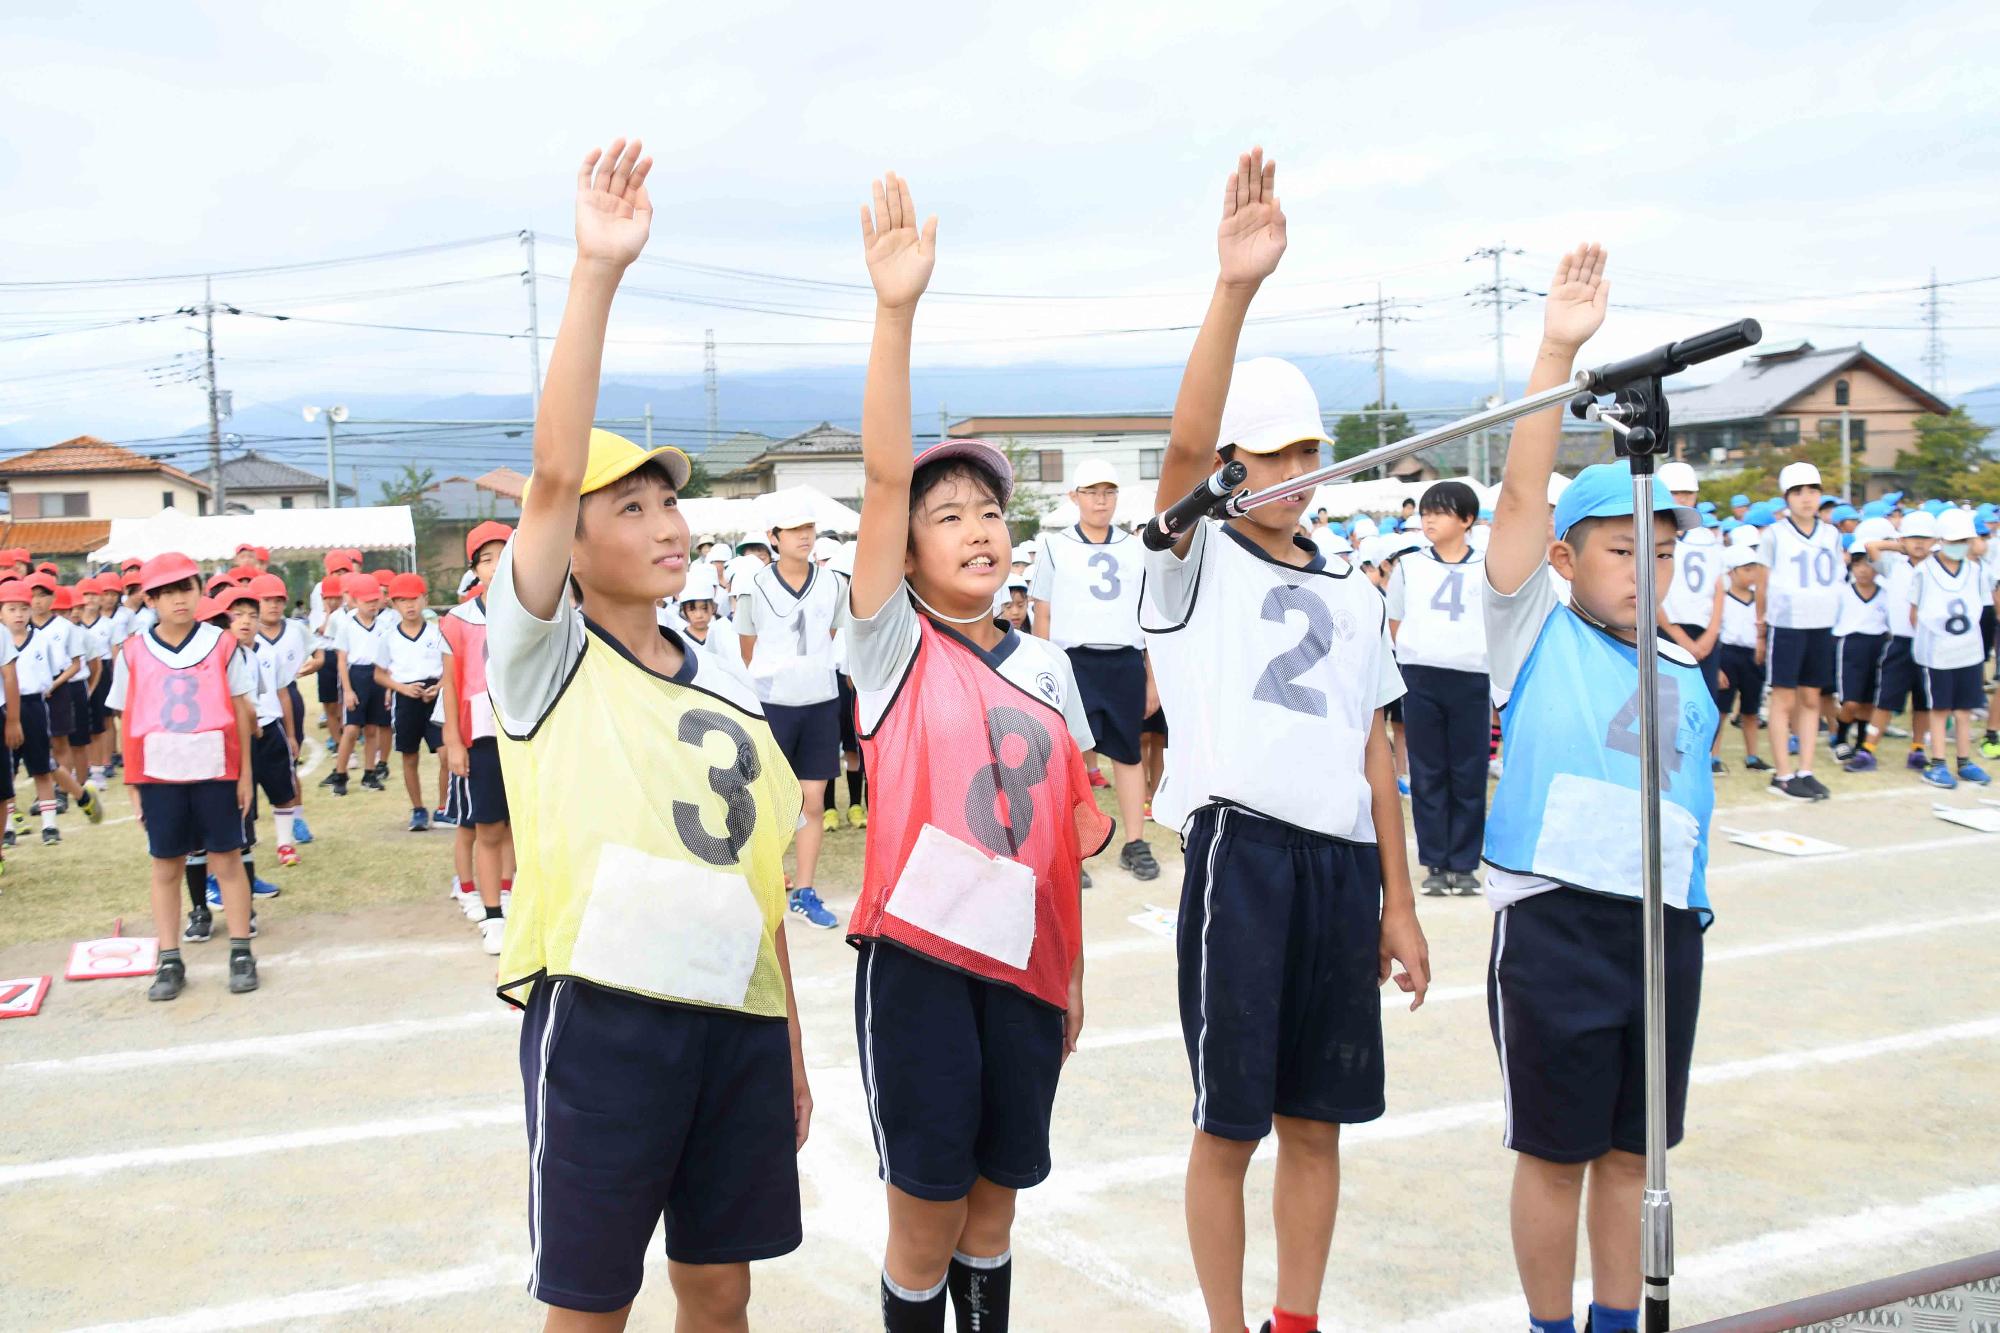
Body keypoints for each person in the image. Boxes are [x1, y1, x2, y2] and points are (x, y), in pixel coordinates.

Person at [488, 138, 810, 1331]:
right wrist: (596, 271)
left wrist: (786, 1044)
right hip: (606, 1007)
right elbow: (551, 468)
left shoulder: (726, 680)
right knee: (590, 1301)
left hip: (730, 1010)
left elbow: (761, 883)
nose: (665, 520)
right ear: (570, 543)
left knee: (719, 1288)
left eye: (669, 499)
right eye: (629, 506)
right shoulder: (544, 655)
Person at [1142, 149, 1427, 1333]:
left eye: (1311, 456)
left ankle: (1295, 1318)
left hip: (1336, 865)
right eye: (1275, 458)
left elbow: (1377, 759)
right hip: (1241, 857)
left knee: (1319, 1120)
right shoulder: (1190, 560)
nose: (1300, 478)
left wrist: (1397, 904)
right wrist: (1233, 290)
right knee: (1231, 1121)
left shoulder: (1358, 589)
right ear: (1230, 468)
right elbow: (1175, 454)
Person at [848, 168, 1111, 1333]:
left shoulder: (1048, 667)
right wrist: (895, 313)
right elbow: (873, 479)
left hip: (1026, 965)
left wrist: (1073, 973)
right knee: (927, 1210)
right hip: (918, 963)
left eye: (991, 513)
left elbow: (1062, 847)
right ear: (901, 552)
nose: (978, 529)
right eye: (946, 514)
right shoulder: (888, 644)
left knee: (998, 1212)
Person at [1481, 244, 1718, 1333]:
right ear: (1568, 562)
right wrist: (1556, 349)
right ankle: (1546, 1323)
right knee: (1556, 1150)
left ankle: (1619, 1320)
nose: (1642, 568)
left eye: (1658, 551)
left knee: (1632, 1152)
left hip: (1662, 928)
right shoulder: (1532, 625)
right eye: (1620, 549)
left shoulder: (1684, 670)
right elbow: (1523, 490)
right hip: (1556, 921)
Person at [105, 554, 258, 1000]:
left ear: (199, 591)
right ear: (149, 598)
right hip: (159, 772)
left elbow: (243, 714)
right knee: (166, 864)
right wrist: (133, 781)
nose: (178, 599)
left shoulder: (223, 643)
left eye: (186, 588)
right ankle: (170, 959)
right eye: (166, 591)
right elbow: (127, 719)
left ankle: (241, 950)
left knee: (228, 859)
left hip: (215, 768)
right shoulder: (133, 651)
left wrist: (244, 775)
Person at [1029, 459, 1160, 883]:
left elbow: (1151, 616)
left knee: (1127, 754)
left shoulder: (1136, 547)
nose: (1100, 500)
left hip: (1123, 660)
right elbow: (1042, 614)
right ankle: (1073, 848)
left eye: (1107, 491)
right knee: (1067, 759)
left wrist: (1152, 678)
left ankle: (1135, 842)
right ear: (1074, 497)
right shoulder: (1054, 545)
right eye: (1090, 492)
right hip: (1073, 664)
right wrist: (1042, 674)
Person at [736, 500, 846, 929]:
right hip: (772, 705)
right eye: (793, 528)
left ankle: (805, 889)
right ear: (773, 538)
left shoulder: (834, 583)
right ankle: (763, 886)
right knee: (767, 801)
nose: (804, 535)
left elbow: (830, 633)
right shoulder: (755, 585)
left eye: (809, 527)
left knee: (813, 800)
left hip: (820, 701)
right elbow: (749, 646)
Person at [1387, 479, 1491, 897]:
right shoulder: (1409, 565)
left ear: (1467, 520)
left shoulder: (1488, 565)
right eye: (1426, 511)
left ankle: (1464, 863)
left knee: (1468, 772)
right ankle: (1434, 861)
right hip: (1421, 676)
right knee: (1428, 771)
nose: (1428, 518)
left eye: (1441, 511)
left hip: (1471, 677)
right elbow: (1395, 621)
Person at [439, 521, 513, 954]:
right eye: (486, 559)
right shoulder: (457, 620)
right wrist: (452, 739)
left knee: (522, 827)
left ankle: (515, 895)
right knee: (487, 827)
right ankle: (493, 914)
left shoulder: (536, 610)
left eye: (504, 554)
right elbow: (450, 684)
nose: (497, 564)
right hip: (482, 736)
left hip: (526, 732)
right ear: (475, 570)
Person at [1758, 462, 1842, 800]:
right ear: (1786, 498)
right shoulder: (1774, 535)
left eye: (1812, 490)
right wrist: (1761, 628)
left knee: (1811, 698)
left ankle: (1806, 769)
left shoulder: (1832, 534)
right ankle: (1782, 774)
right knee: (1783, 700)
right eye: (1798, 492)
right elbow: (1762, 586)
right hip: (1787, 626)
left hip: (1821, 624)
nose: (1806, 498)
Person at [4, 580, 102, 842]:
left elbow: (53, 670)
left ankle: (50, 826)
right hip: (5, 710)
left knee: (42, 766)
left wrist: (43, 689)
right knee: (7, 770)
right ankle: (9, 826)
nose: (19, 614)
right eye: (12, 609)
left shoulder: (42, 639)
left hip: (35, 704)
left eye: (23, 608)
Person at [1909, 508, 1994, 788]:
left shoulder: (1975, 571)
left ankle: (1964, 760)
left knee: (1964, 709)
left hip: (1968, 649)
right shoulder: (1924, 571)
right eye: (1953, 540)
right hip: (1938, 652)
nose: (1959, 546)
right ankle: (1937, 763)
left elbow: (1981, 607)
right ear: (1941, 539)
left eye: (1963, 541)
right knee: (1940, 707)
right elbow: (1915, 612)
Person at [1856, 509, 1937, 771]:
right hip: (1900, 641)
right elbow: (1871, 546)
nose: (1919, 543)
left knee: (1924, 701)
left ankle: (1918, 748)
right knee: (1886, 698)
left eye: (1925, 538)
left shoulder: (1936, 567)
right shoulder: (1894, 566)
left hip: (1929, 641)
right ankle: (1868, 748)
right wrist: (1899, 546)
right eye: (1913, 537)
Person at [376, 572, 449, 830]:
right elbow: (379, 674)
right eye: (402, 600)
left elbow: (448, 668)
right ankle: (418, 809)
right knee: (409, 756)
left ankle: (444, 807)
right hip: (406, 698)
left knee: (446, 754)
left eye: (414, 599)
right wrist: (402, 689)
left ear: (425, 600)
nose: (409, 605)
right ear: (393, 604)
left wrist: (438, 687)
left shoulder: (437, 631)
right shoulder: (388, 637)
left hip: (435, 696)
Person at [332, 572, 390, 795]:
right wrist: (347, 689)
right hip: (356, 675)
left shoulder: (384, 624)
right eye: (367, 601)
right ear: (355, 601)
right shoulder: (347, 624)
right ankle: (340, 773)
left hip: (377, 674)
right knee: (352, 728)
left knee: (373, 727)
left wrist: (387, 688)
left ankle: (369, 772)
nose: (372, 605)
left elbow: (387, 657)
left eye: (375, 600)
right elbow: (342, 659)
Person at [1830, 551, 1888, 763]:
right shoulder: (1843, 592)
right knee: (1850, 702)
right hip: (1851, 645)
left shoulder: (1885, 593)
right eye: (1858, 565)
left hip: (1878, 644)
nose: (1863, 570)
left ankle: (1861, 742)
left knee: (1868, 702)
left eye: (1868, 565)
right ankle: (1840, 738)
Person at [1715, 549, 1768, 770]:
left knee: (1751, 710)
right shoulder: (1723, 600)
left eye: (1755, 569)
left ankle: (1752, 756)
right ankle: (1713, 757)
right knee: (1721, 710)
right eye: (1746, 570)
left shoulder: (1761, 601)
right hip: (1727, 655)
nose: (1752, 574)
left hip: (1753, 657)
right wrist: (1717, 667)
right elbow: (1716, 632)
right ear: (1732, 573)